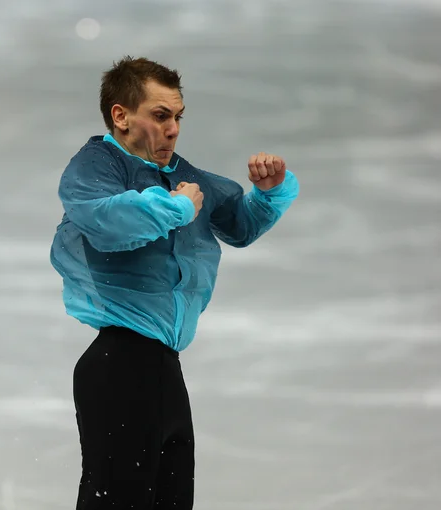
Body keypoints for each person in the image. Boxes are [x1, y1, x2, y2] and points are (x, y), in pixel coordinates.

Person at [49, 56, 299, 509]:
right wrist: (175, 209)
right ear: (121, 116)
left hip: (163, 369)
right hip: (119, 366)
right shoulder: (96, 167)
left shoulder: (185, 176)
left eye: (178, 116)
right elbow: (105, 220)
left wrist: (270, 191)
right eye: (161, 115)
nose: (174, 129)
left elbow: (238, 224)